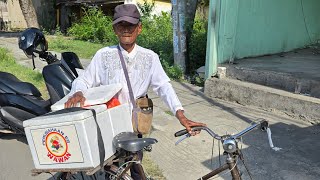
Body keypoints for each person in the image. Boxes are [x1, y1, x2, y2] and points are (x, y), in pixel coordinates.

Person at [65, 3, 206, 179]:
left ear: (139, 28)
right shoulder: (103, 55)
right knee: (113, 169)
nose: (126, 29)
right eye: (121, 25)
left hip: (135, 124)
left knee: (135, 165)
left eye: (130, 25)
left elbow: (164, 87)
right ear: (115, 29)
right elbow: (85, 79)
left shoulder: (150, 57)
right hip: (110, 122)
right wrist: (78, 92)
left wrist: (180, 115)